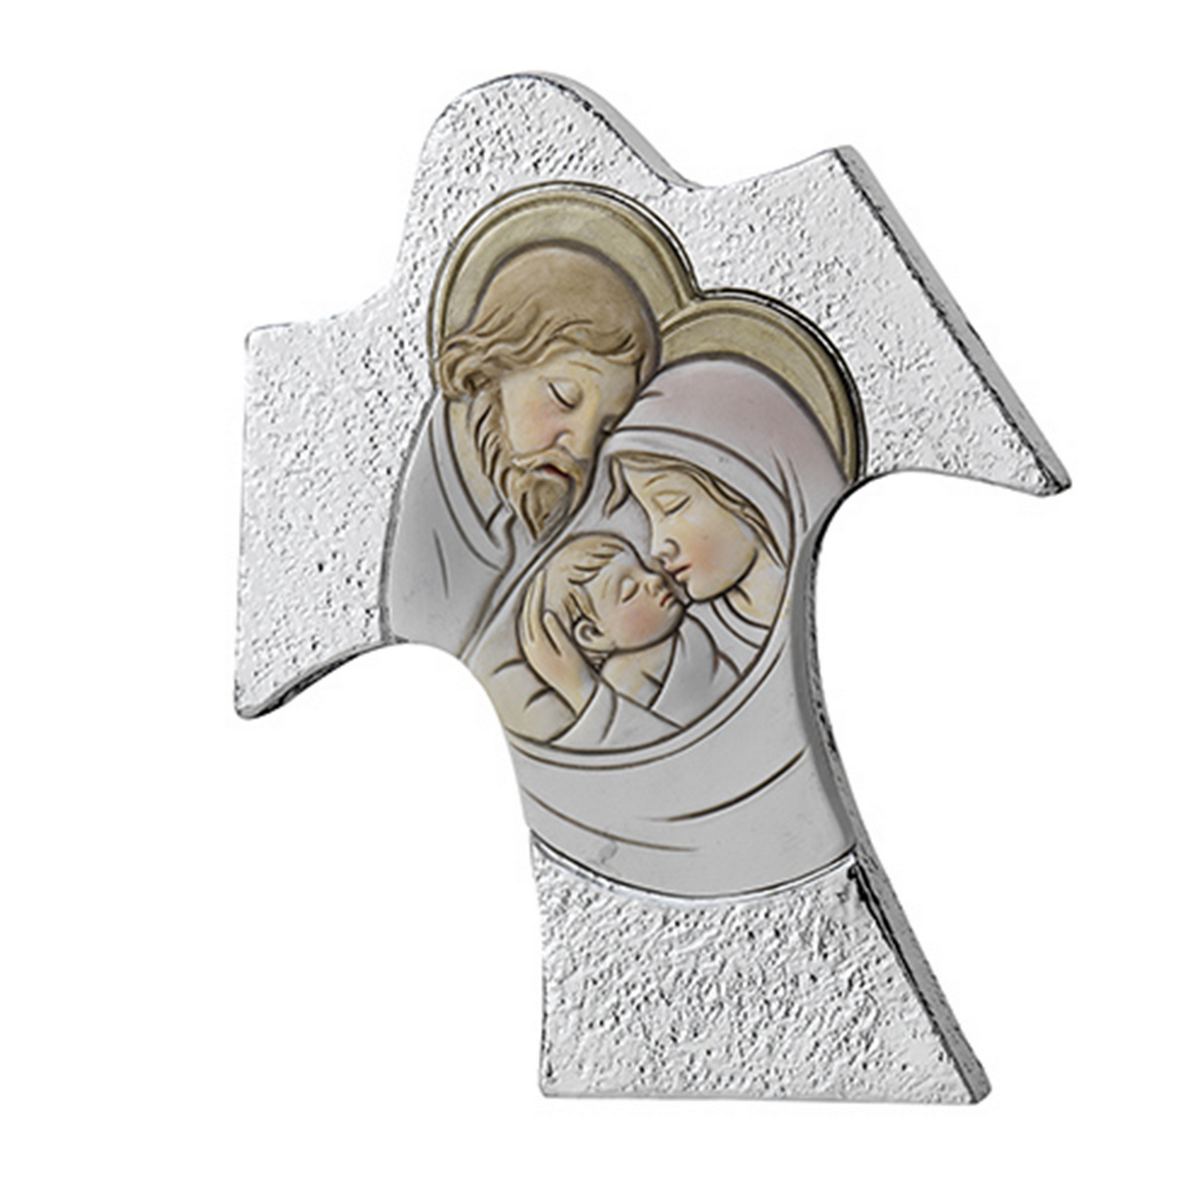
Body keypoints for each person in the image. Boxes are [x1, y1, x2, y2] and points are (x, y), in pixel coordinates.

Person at [383, 242, 659, 657]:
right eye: (563, 397)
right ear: (491, 365)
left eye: (606, 428)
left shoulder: (576, 529)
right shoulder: (426, 509)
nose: (582, 448)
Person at [525, 532, 739, 748]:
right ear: (593, 634)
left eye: (644, 570)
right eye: (630, 590)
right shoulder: (622, 683)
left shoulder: (699, 630)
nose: (655, 580)